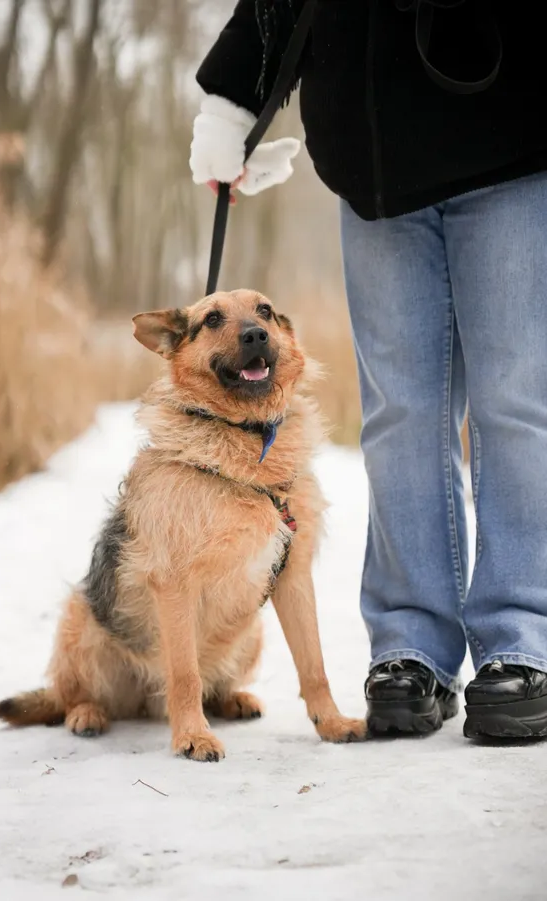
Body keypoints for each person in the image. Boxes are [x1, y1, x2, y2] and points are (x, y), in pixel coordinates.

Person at [188, 0, 547, 741]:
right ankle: (411, 646)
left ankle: (521, 638)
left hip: (512, 134)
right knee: (399, 412)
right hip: (377, 161)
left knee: (512, 402)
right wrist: (234, 101)